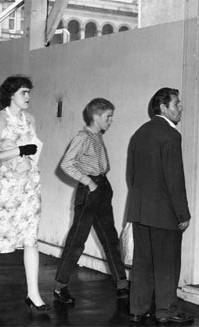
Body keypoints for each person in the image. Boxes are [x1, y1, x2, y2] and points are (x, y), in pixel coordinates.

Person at [0, 75, 51, 311]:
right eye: (24, 92)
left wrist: (31, 153)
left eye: (29, 92)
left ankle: (33, 293)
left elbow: (33, 148)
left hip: (29, 186)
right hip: (5, 188)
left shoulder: (31, 119)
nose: (28, 97)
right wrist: (19, 150)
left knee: (31, 239)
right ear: (11, 95)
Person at [127, 88, 194, 325]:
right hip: (164, 213)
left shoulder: (139, 133)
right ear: (163, 108)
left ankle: (137, 308)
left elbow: (131, 175)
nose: (181, 108)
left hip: (140, 211)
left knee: (142, 262)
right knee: (167, 262)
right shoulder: (171, 135)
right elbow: (175, 179)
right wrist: (182, 213)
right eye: (177, 104)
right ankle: (166, 310)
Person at [53, 98, 129, 306]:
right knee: (78, 239)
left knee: (109, 237)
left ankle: (122, 283)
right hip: (90, 190)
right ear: (95, 116)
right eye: (107, 117)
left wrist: (101, 185)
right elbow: (66, 164)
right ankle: (60, 286)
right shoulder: (83, 136)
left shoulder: (97, 135)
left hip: (102, 187)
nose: (111, 120)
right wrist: (89, 182)